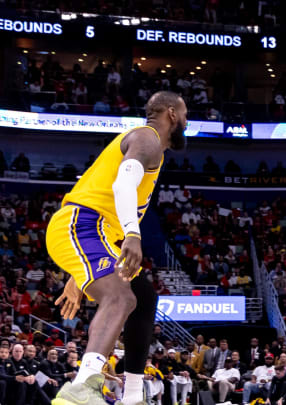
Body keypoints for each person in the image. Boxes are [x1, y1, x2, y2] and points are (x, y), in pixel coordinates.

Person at [47, 91, 188, 405]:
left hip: (94, 234)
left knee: (143, 296)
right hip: (81, 225)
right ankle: (82, 387)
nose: (186, 122)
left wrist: (77, 274)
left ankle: (134, 395)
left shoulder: (150, 147)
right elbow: (122, 186)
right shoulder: (147, 139)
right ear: (172, 114)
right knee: (120, 296)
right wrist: (132, 235)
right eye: (185, 115)